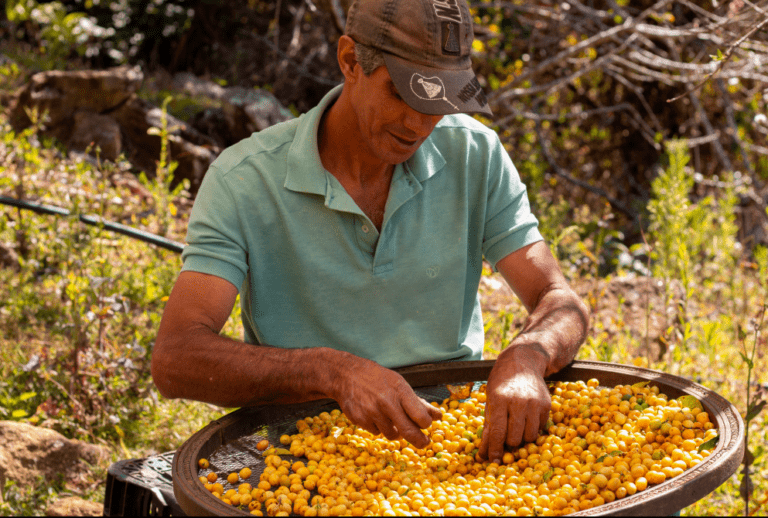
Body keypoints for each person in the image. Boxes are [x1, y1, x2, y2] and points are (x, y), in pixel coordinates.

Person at [151, 0, 589, 465]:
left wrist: (527, 355)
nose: (419, 124)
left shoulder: (473, 154)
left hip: (449, 443)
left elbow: (558, 299)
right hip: (303, 454)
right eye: (402, 94)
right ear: (349, 60)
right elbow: (177, 358)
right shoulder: (244, 179)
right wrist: (330, 372)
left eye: (439, 103)